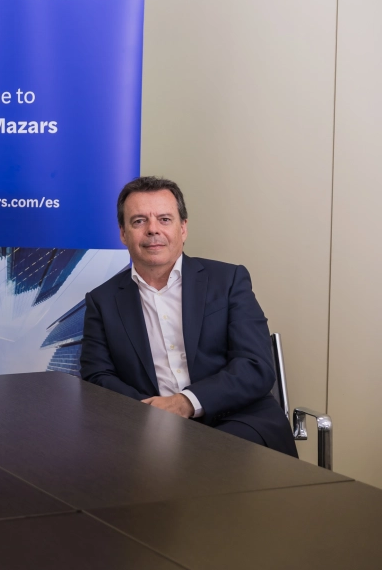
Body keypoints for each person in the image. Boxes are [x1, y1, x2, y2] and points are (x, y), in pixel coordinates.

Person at [80, 176, 298, 456]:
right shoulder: (102, 300)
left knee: (205, 458)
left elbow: (255, 365)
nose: (152, 229)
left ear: (183, 228)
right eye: (139, 221)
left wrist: (184, 402)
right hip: (147, 426)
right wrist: (150, 412)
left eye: (164, 219)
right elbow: (97, 376)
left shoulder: (228, 280)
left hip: (239, 419)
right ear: (123, 233)